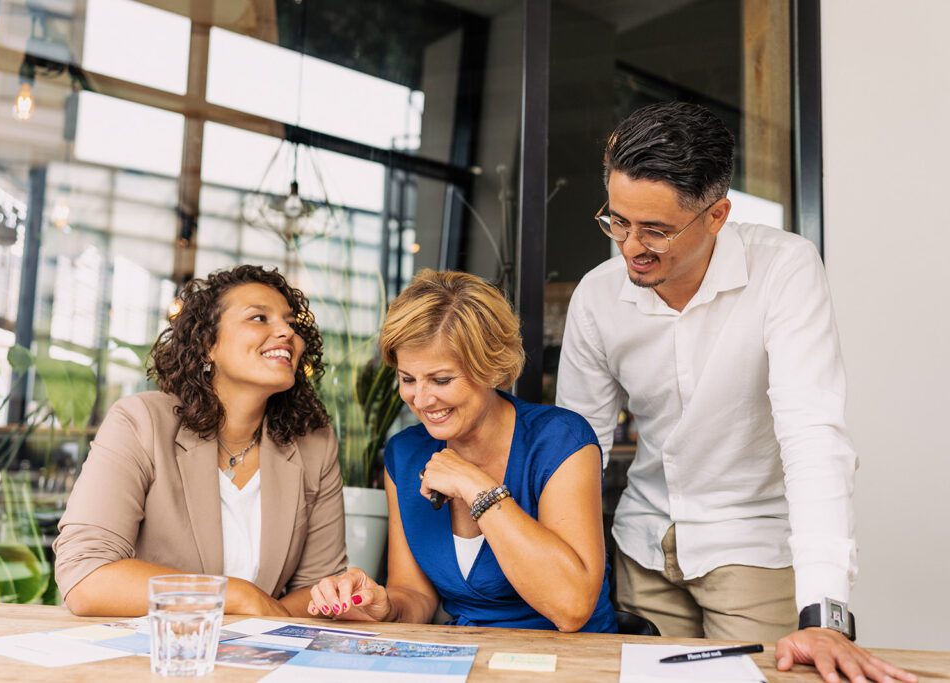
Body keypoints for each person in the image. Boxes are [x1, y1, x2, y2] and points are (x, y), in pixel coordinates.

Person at [557, 101, 915, 682]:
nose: (630, 247)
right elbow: (576, 449)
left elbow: (812, 435)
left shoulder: (784, 270)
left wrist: (825, 613)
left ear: (717, 215)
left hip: (753, 545)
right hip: (641, 547)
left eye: (656, 230)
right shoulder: (597, 297)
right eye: (618, 221)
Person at [306, 269, 617, 633]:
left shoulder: (560, 441)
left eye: (441, 380)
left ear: (492, 368)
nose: (421, 399)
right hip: (469, 654)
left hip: (572, 655)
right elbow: (414, 595)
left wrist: (476, 487)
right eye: (408, 379)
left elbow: (572, 607)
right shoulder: (405, 455)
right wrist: (383, 605)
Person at [53, 265, 346, 616]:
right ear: (208, 344)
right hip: (151, 646)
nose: (287, 332)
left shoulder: (314, 445)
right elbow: (86, 576)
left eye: (292, 323)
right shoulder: (140, 423)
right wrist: (234, 596)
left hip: (255, 649)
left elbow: (319, 589)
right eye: (259, 318)